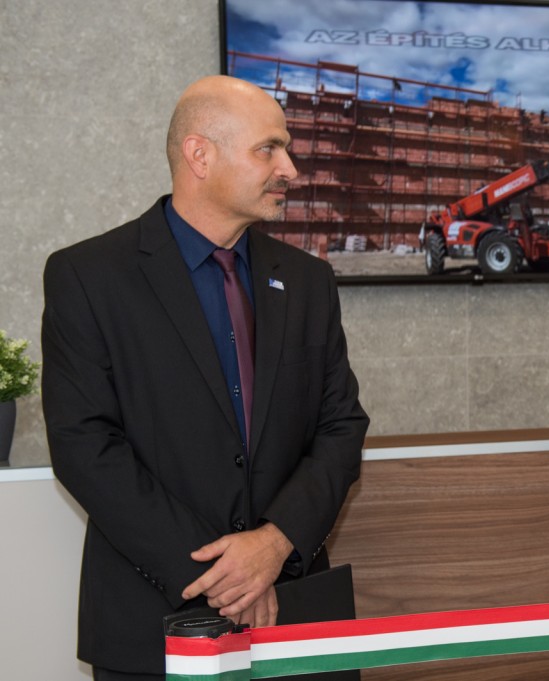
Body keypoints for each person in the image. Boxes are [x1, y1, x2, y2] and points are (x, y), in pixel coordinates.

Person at [41, 75, 369, 680]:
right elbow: (85, 446)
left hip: (295, 619)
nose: (290, 168)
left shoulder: (308, 281)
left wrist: (275, 543)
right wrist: (224, 577)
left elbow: (341, 427)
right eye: (269, 149)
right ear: (200, 155)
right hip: (154, 625)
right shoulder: (89, 277)